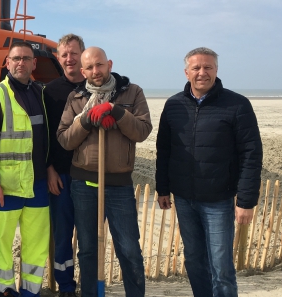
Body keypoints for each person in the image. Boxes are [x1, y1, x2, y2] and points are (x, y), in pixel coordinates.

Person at [155, 47, 262, 297]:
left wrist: (246, 201)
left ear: (216, 70)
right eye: (196, 68)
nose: (202, 73)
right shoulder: (173, 106)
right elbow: (164, 150)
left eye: (208, 67)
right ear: (186, 72)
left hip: (219, 200)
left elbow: (251, 154)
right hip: (184, 198)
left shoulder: (237, 104)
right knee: (193, 260)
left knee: (221, 267)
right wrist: (162, 188)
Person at [57, 46, 151, 297]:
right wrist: (86, 120)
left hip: (119, 185)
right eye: (89, 67)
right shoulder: (76, 98)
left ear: (109, 64)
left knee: (129, 248)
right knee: (88, 249)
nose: (95, 71)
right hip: (84, 184)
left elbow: (142, 131)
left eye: (99, 65)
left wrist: (118, 112)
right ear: (82, 70)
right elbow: (65, 140)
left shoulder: (132, 92)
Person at [0, 41, 50, 297]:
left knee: (36, 245)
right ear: (7, 63)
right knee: (4, 245)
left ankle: (31, 292)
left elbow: (47, 139)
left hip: (38, 184)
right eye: (16, 58)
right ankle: (5, 291)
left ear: (34, 63)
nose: (21, 63)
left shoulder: (41, 93)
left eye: (26, 58)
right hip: (6, 186)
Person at [43, 34, 86, 297]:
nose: (69, 58)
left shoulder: (97, 87)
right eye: (64, 54)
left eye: (74, 53)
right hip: (60, 176)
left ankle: (90, 285)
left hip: (90, 177)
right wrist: (49, 169)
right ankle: (66, 287)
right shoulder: (49, 91)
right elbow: (44, 135)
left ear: (83, 55)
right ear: (58, 58)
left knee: (90, 239)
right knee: (62, 237)